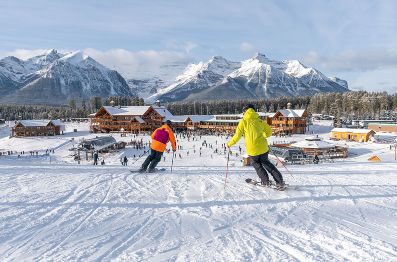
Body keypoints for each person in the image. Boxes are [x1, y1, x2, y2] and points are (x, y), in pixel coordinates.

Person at [227, 104, 285, 189]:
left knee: (257, 165)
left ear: (245, 111)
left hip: (252, 150)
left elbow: (237, 136)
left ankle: (265, 181)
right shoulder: (260, 121)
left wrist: (229, 144)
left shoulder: (243, 122)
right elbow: (269, 132)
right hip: (263, 148)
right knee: (267, 163)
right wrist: (263, 136)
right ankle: (279, 182)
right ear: (253, 111)